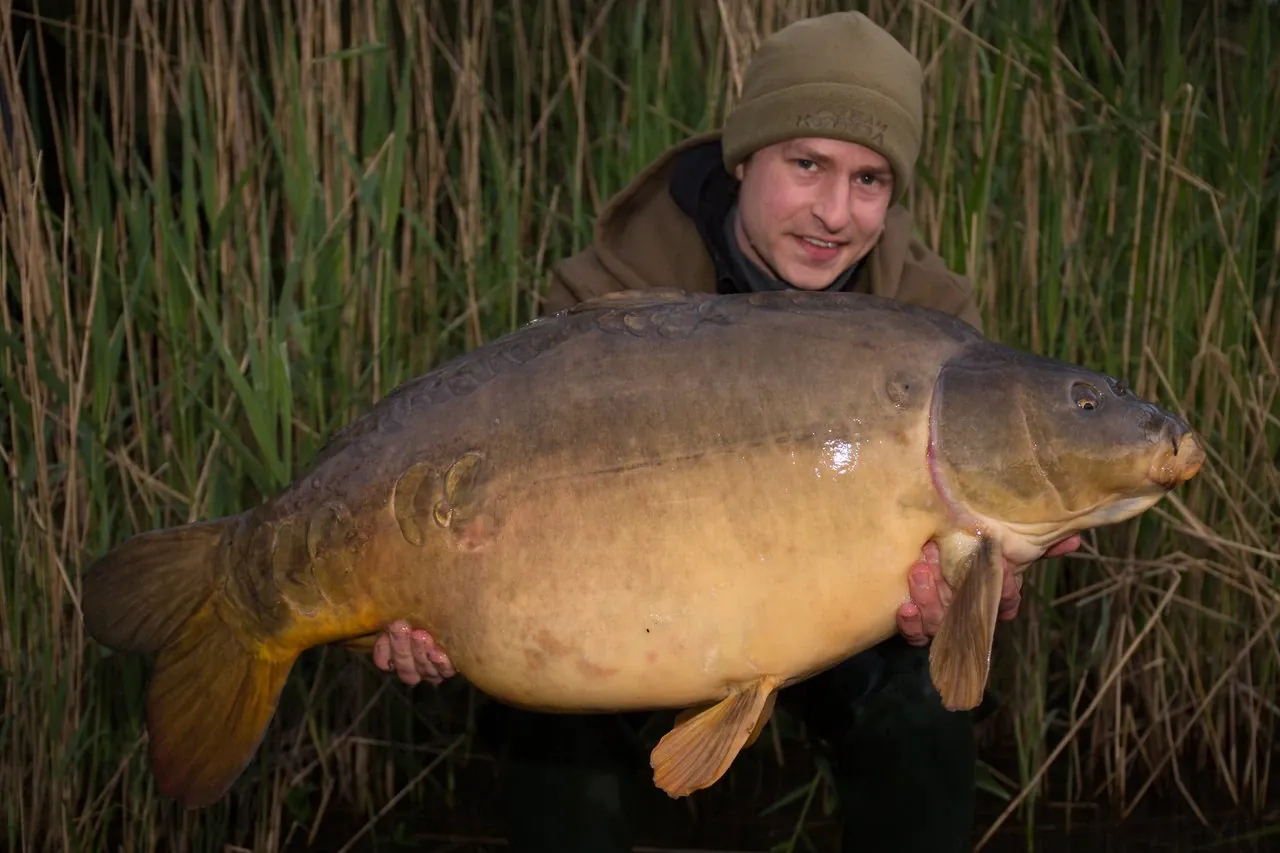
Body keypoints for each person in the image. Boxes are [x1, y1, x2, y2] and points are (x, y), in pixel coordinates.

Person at [371, 11, 1081, 852]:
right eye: (806, 164)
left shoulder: (931, 324)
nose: (834, 212)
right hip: (630, 611)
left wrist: (978, 587)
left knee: (919, 708)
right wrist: (417, 594)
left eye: (870, 181)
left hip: (832, 616)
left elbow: (979, 531)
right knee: (553, 736)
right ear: (745, 156)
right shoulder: (612, 292)